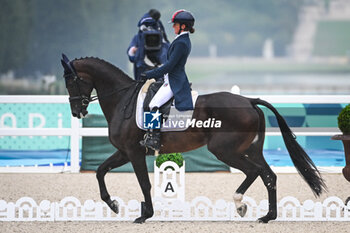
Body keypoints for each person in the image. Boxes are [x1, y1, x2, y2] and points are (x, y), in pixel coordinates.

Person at [139, 9, 195, 151]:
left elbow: (170, 66)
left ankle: (154, 139)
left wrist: (150, 74)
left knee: (153, 104)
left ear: (183, 26)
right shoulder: (180, 39)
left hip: (174, 81)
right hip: (169, 78)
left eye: (175, 24)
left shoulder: (182, 42)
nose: (173, 26)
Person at [127, 9, 170, 80]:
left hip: (158, 74)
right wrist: (134, 50)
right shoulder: (138, 38)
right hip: (143, 72)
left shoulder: (162, 41)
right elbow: (132, 57)